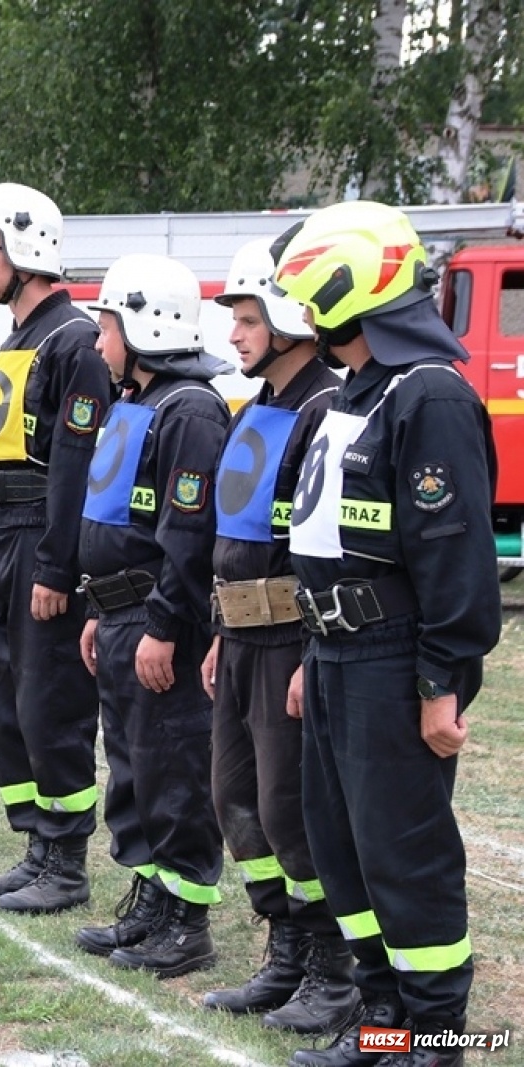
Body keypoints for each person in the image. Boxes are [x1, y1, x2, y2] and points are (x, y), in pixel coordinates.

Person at [272, 202, 501, 1067]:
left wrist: (444, 680)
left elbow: (453, 553)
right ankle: (383, 1026)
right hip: (332, 654)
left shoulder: (429, 393)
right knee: (344, 853)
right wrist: (309, 651)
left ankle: (437, 1041)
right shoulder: (357, 391)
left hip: (391, 658)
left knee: (404, 854)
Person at [198, 240, 356, 1035]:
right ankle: (286, 949)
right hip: (242, 633)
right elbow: (238, 535)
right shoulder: (256, 406)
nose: (234, 333)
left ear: (293, 319)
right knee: (237, 799)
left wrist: (304, 650)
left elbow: (312, 546)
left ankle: (334, 968)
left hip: (293, 639)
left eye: (248, 317)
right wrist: (222, 629)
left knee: (290, 810)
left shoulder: (324, 405)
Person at [75, 253, 230, 976]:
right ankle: (150, 900)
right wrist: (96, 608)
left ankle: (186, 919)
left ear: (143, 326)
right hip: (119, 615)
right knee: (134, 769)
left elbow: (186, 535)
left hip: (155, 618)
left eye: (106, 325)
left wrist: (164, 625)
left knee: (173, 769)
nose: (100, 342)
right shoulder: (140, 401)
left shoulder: (191, 409)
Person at [0, 183, 113, 914]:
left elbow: (77, 467)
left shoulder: (73, 341)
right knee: (6, 704)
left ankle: (68, 859)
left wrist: (57, 564)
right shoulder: (15, 339)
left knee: (50, 704)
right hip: (5, 538)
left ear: (27, 251)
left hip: (45, 545)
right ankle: (35, 846)